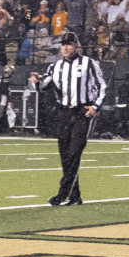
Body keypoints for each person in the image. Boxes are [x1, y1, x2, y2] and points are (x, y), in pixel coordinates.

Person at [29, 32, 107, 206]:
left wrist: (95, 106)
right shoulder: (55, 66)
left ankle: (62, 192)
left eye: (69, 44)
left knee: (74, 153)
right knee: (65, 155)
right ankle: (75, 195)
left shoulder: (89, 63)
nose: (65, 47)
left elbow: (102, 86)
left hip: (82, 112)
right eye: (63, 44)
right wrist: (35, 80)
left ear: (76, 45)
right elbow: (44, 86)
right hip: (64, 112)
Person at [114, 72, 129, 139]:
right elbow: (126, 96)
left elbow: (118, 95)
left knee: (120, 121)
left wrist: (117, 104)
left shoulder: (120, 85)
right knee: (128, 120)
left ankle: (118, 135)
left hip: (120, 105)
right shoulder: (127, 86)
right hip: (125, 105)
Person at [0, 64, 15, 134]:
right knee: (1, 110)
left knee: (10, 112)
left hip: (7, 95)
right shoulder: (2, 78)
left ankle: (9, 128)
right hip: (3, 95)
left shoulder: (9, 78)